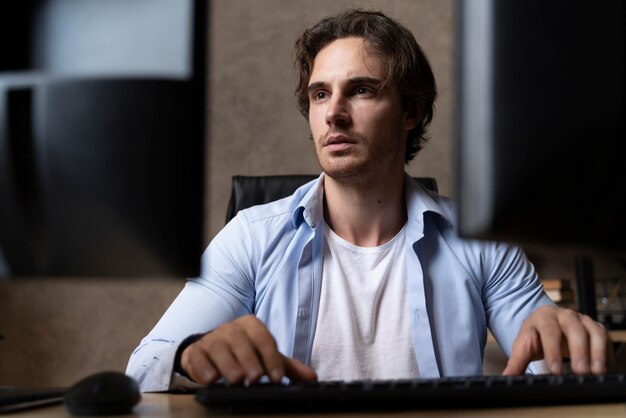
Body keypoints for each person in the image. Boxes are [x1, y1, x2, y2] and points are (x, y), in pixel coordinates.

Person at [126, 9, 611, 392]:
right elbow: (144, 367)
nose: (333, 113)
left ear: (412, 112)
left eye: (360, 90)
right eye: (319, 94)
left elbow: (547, 363)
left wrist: (563, 341)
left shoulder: (482, 242)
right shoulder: (251, 236)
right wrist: (192, 353)